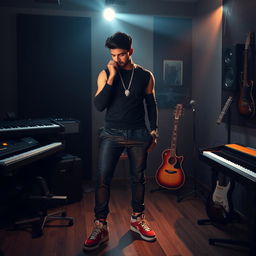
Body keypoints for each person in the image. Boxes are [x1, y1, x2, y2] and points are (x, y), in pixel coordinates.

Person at [83, 32, 158, 251]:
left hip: (137, 133)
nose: (117, 59)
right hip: (111, 133)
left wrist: (154, 131)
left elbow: (151, 105)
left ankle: (137, 220)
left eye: (122, 54)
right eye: (113, 55)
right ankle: (101, 225)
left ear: (131, 52)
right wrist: (112, 77)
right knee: (103, 178)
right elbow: (99, 105)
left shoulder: (145, 75)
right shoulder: (106, 73)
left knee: (139, 178)